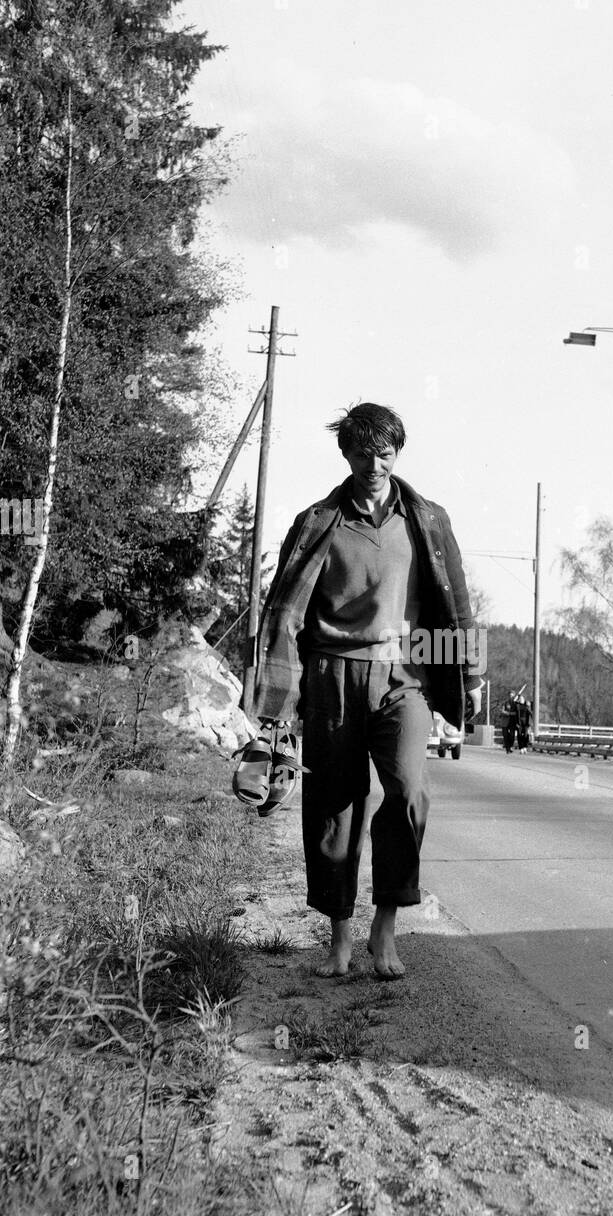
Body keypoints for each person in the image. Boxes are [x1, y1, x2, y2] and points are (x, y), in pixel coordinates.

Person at [248, 403, 483, 979]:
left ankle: (385, 931)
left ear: (398, 453)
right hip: (333, 675)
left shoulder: (427, 519)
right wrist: (278, 702)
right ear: (345, 454)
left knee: (406, 793)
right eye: (361, 453)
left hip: (407, 677)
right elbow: (285, 614)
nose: (374, 464)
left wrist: (472, 675)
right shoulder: (316, 522)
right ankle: (338, 939)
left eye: (385, 452)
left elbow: (455, 602)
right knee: (335, 803)